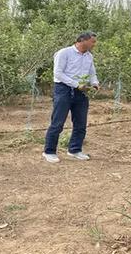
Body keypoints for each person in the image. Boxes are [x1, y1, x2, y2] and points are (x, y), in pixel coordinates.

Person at [42, 32, 99, 163]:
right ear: (83, 40)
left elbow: (92, 72)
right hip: (64, 90)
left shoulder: (89, 56)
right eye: (92, 41)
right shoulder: (64, 53)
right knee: (57, 122)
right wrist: (76, 84)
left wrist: (95, 83)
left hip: (82, 91)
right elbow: (58, 73)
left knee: (80, 123)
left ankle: (75, 149)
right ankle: (49, 151)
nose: (94, 44)